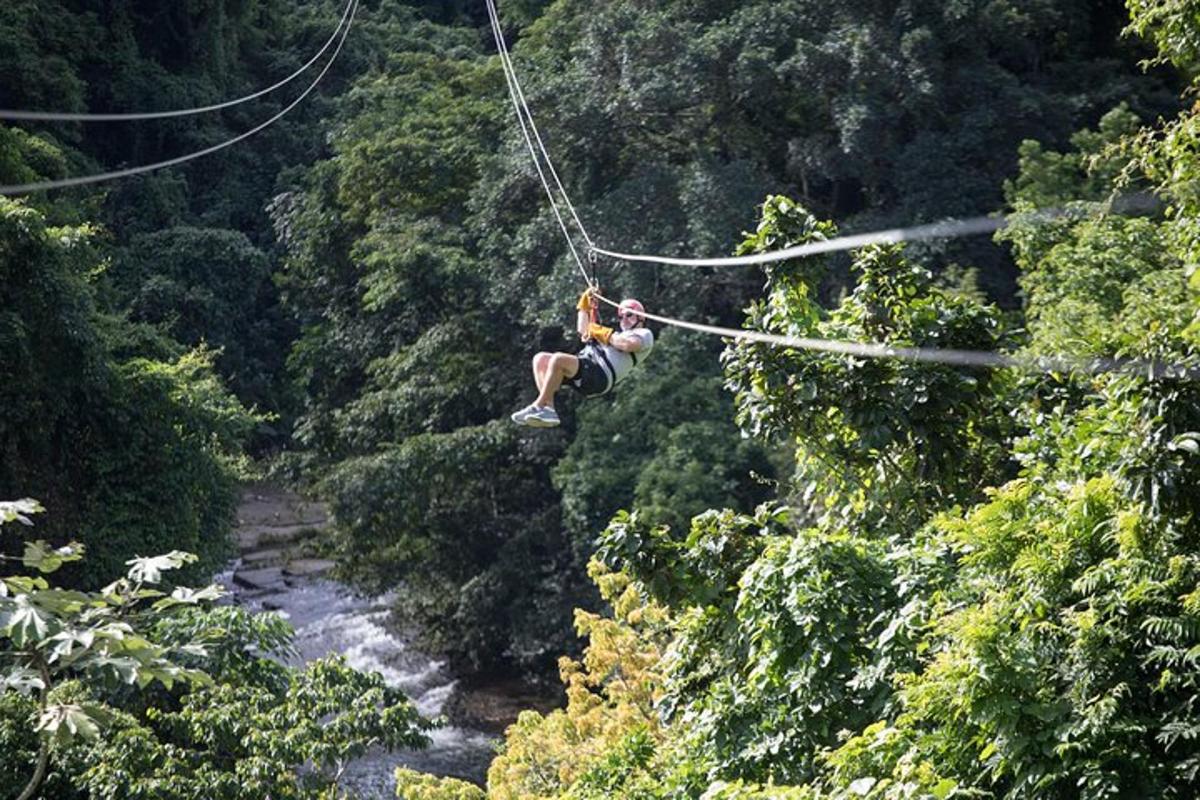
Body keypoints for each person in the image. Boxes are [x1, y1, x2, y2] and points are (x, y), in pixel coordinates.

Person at [511, 288, 654, 427]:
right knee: (540, 359)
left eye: (629, 315)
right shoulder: (615, 334)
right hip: (588, 365)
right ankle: (547, 407)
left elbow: (628, 345)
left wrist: (602, 332)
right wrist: (584, 305)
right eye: (621, 316)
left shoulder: (644, 334)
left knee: (558, 359)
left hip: (600, 374)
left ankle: (539, 404)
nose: (624, 319)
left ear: (640, 317)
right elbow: (583, 330)